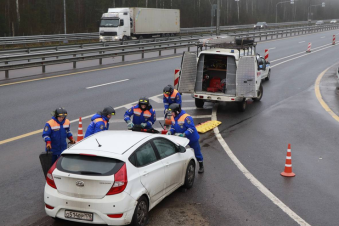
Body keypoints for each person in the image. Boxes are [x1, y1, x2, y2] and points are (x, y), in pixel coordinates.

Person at [167, 103, 204, 173]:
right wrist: (170, 131)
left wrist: (184, 134)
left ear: (177, 111)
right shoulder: (173, 117)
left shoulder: (187, 118)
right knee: (181, 153)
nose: (171, 114)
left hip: (192, 138)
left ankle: (201, 165)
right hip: (181, 139)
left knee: (197, 152)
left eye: (172, 112)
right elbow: (173, 127)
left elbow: (191, 128)